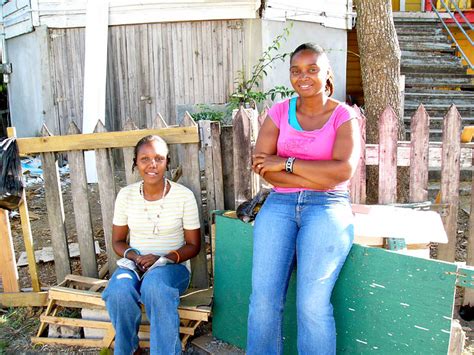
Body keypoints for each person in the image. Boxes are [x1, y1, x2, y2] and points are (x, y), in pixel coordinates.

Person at [247, 43, 361, 354]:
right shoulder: (280, 112)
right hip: (280, 204)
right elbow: (261, 165)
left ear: (327, 74)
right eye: (296, 71)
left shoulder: (343, 116)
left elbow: (342, 172)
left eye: (312, 69)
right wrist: (317, 174)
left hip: (327, 207)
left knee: (312, 302)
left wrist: (288, 163)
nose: (304, 76)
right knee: (263, 299)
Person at [102, 135, 201, 355]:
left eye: (158, 158)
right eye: (145, 159)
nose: (152, 164)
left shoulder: (183, 196)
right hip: (135, 265)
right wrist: (135, 257)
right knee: (118, 290)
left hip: (172, 267)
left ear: (167, 161)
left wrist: (163, 258)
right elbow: (117, 241)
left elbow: (194, 245)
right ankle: (129, 350)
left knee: (155, 286)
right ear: (135, 162)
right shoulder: (126, 195)